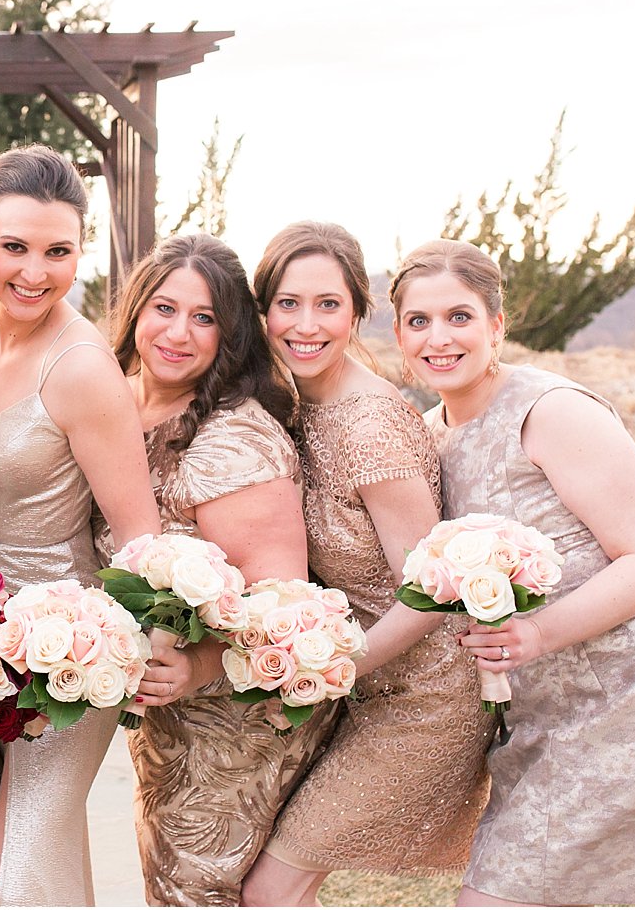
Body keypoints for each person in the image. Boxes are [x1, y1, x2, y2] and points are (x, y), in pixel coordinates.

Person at [390, 238, 635, 907]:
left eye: (459, 317)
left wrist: (539, 635)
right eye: (419, 321)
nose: (439, 338)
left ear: (496, 324)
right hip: (541, 719)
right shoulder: (429, 434)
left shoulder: (551, 411)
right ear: (399, 333)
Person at [239, 221, 494, 907]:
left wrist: (329, 673)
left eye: (328, 304)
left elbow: (432, 591)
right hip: (363, 687)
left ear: (357, 311)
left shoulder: (370, 420)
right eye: (288, 303)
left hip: (425, 695)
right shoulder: (292, 405)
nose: (306, 324)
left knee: (271, 889)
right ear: (263, 310)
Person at [93, 233, 340, 906]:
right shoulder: (117, 404)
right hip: (167, 711)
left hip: (235, 720)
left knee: (195, 891)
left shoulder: (232, 439)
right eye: (164, 309)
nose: (178, 333)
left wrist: (197, 665)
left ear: (231, 336)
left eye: (204, 318)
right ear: (136, 310)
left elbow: (279, 603)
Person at [0, 145, 170, 907]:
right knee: (6, 861)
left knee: (22, 869)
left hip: (67, 655)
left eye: (58, 251)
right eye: (14, 247)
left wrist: (158, 653)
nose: (34, 272)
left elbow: (139, 537)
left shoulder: (81, 368)